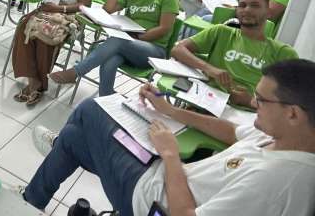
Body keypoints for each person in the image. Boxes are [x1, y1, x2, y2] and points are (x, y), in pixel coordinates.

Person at [24, 59, 315, 215]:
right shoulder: (279, 135)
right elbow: (231, 131)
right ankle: (31, 199)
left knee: (90, 110)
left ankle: (56, 150)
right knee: (73, 138)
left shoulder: (279, 182)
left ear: (293, 113)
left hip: (150, 201)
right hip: (162, 176)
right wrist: (169, 110)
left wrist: (171, 155)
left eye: (261, 100)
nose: (252, 103)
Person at [50, 0, 179, 95]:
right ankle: (106, 97)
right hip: (127, 47)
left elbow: (164, 28)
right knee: (110, 60)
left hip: (154, 51)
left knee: (118, 40)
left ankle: (76, 72)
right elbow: (107, 9)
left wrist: (137, 38)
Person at [8, 0, 95, 106]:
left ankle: (38, 86)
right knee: (24, 26)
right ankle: (34, 80)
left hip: (69, 14)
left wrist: (60, 9)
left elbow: (84, 4)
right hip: (48, 8)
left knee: (45, 34)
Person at [172, 0, 298, 107]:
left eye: (255, 5)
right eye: (242, 5)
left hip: (252, 114)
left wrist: (251, 101)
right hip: (209, 101)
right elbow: (177, 49)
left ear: (268, 12)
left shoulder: (283, 52)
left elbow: (294, 102)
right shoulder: (221, 32)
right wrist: (209, 68)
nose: (247, 10)